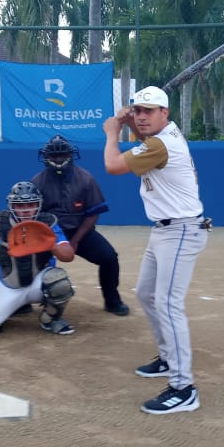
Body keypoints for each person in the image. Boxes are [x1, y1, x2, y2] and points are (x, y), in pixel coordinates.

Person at [102, 86, 210, 415]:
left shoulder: (161, 144)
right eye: (137, 110)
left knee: (167, 303)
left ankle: (183, 388)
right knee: (146, 293)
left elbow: (113, 166)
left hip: (180, 231)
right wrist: (130, 125)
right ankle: (167, 357)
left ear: (165, 112)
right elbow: (145, 142)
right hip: (166, 229)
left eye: (149, 111)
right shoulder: (161, 137)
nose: (142, 116)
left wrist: (113, 132)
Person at [30, 134, 130, 317]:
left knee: (109, 257)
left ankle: (112, 300)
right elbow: (33, 215)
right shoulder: (37, 181)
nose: (58, 159)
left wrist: (75, 241)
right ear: (46, 157)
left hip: (79, 230)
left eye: (62, 154)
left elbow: (93, 213)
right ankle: (22, 301)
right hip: (49, 232)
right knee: (26, 260)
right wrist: (49, 241)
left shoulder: (85, 179)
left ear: (71, 155)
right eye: (54, 155)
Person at [0, 181, 77, 337]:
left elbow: (68, 255)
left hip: (39, 283)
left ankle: (50, 318)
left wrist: (52, 245)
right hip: (9, 285)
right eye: (20, 205)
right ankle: (14, 306)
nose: (26, 210)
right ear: (11, 205)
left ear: (39, 204)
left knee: (59, 282)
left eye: (31, 204)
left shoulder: (48, 224)